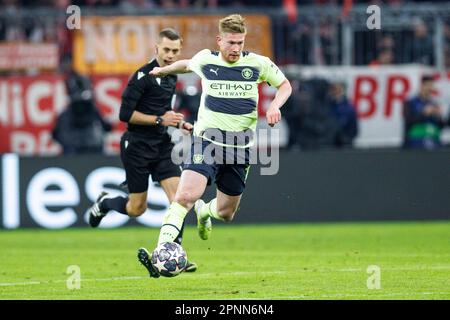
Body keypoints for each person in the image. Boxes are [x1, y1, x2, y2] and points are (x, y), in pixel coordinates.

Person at [137, 14, 292, 277]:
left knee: (226, 212)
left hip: (240, 147)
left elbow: (285, 85)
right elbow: (186, 64)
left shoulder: (258, 64)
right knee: (184, 196)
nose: (236, 48)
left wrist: (275, 105)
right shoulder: (206, 60)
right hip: (206, 142)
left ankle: (204, 211)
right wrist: (163, 70)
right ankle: (161, 250)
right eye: (231, 42)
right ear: (220, 40)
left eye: (240, 43)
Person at [87, 28, 197, 276]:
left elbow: (164, 111)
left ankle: (171, 254)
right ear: (156, 48)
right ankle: (105, 202)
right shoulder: (141, 77)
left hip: (161, 145)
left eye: (175, 51)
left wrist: (179, 123)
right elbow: (124, 115)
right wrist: (160, 120)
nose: (170, 55)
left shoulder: (171, 76)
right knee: (137, 208)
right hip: (136, 146)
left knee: (180, 200)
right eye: (166, 50)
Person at [52, 71, 112, 155]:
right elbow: (55, 135)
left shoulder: (93, 112)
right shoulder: (65, 115)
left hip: (92, 153)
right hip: (73, 154)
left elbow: (107, 127)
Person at [403, 75, 445, 149]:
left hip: (434, 143)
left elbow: (441, 126)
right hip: (416, 143)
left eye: (431, 86)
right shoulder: (410, 102)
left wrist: (439, 116)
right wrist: (424, 113)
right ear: (421, 86)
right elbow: (408, 121)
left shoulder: (435, 104)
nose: (429, 88)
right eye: (427, 85)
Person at [328, 82, 358, 148]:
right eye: (333, 89)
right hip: (328, 145)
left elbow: (354, 130)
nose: (335, 92)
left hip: (344, 145)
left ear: (343, 91)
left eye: (338, 90)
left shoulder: (349, 109)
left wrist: (345, 140)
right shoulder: (326, 107)